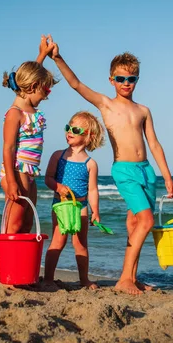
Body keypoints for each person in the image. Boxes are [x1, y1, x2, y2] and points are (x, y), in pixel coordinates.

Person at [48, 36, 173, 295]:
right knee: (146, 220)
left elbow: (154, 144)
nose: (126, 83)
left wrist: (167, 176)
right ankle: (124, 280)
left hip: (146, 170)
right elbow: (76, 84)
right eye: (120, 79)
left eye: (131, 79)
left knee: (135, 224)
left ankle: (131, 276)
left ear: (137, 80)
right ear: (111, 80)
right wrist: (57, 58)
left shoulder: (143, 110)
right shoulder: (105, 104)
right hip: (124, 170)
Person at [0, 36, 57, 234]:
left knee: (27, 223)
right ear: (32, 87)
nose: (46, 95)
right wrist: (12, 181)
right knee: (14, 223)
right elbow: (8, 148)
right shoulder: (15, 113)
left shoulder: (30, 106)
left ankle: (20, 262)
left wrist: (42, 55)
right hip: (17, 170)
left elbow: (33, 74)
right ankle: (8, 260)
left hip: (30, 171)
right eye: (45, 90)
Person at [43, 111, 106, 290]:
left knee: (80, 244)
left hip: (80, 206)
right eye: (68, 127)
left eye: (75, 129)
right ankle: (48, 278)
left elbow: (92, 190)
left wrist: (96, 211)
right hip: (61, 205)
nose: (69, 131)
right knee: (58, 241)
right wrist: (58, 187)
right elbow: (48, 178)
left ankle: (84, 279)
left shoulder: (90, 164)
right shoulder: (58, 156)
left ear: (88, 136)